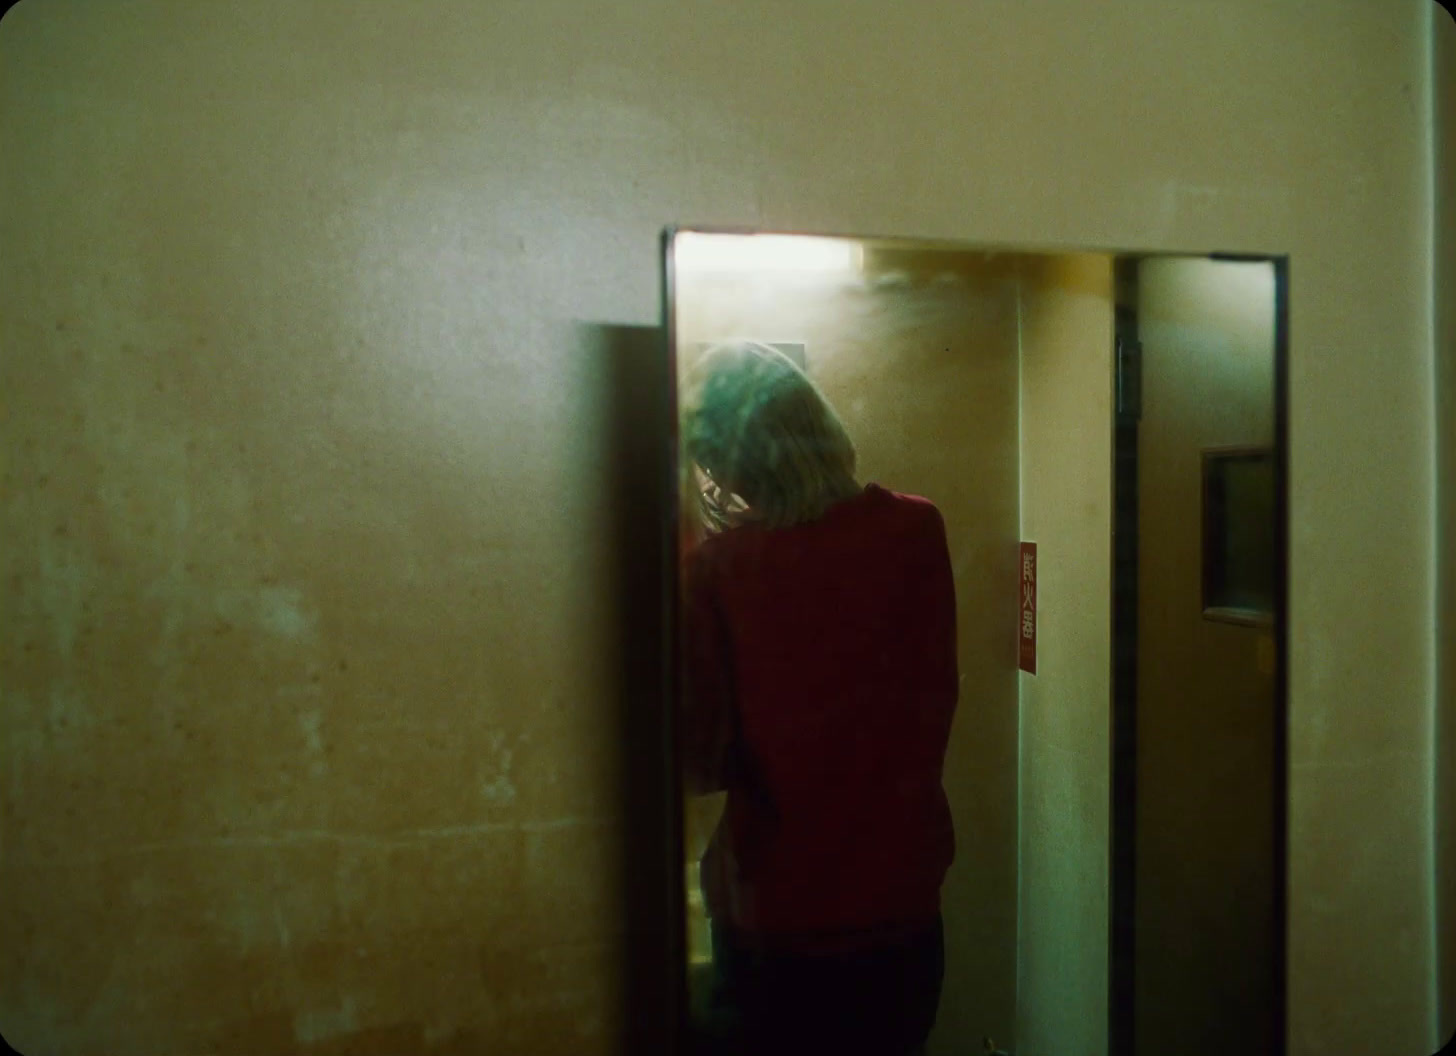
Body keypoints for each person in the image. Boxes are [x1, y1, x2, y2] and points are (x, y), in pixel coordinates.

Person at [679, 341, 959, 1056]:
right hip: (898, 903)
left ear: (733, 461)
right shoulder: (916, 530)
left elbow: (698, 762)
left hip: (774, 913)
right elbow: (928, 701)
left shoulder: (721, 570)